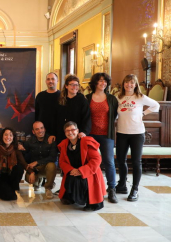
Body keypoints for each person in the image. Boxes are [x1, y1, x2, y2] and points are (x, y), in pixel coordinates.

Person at [116, 74, 159, 201]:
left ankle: (135, 189)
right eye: (127, 82)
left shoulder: (140, 97)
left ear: (135, 85)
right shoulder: (118, 97)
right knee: (120, 160)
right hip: (122, 132)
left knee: (136, 162)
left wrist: (143, 113)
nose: (129, 85)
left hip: (137, 133)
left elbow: (156, 105)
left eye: (132, 83)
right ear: (123, 84)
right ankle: (122, 185)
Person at [86, 73, 118, 203]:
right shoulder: (87, 98)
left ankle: (111, 189)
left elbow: (116, 115)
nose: (103, 83)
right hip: (90, 134)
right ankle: (89, 187)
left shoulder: (111, 99)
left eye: (105, 81)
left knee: (109, 162)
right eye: (100, 81)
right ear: (94, 83)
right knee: (90, 161)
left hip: (106, 134)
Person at [58, 121, 106, 211]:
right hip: (73, 171)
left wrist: (81, 171)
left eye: (73, 129)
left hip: (89, 172)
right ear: (65, 133)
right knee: (70, 178)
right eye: (67, 131)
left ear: (78, 131)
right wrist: (70, 170)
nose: (70, 132)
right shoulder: (64, 144)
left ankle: (91, 203)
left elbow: (96, 159)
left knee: (83, 181)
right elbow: (62, 161)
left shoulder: (86, 141)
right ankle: (71, 198)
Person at [0, 127, 33, 201]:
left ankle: (13, 188)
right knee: (11, 197)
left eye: (10, 135)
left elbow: (23, 164)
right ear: (2, 136)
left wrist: (31, 172)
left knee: (19, 168)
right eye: (6, 135)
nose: (8, 137)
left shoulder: (16, 149)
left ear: (13, 137)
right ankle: (6, 189)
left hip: (10, 176)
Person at [19, 121, 57, 199]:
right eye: (37, 129)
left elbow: (53, 158)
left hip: (47, 168)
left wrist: (37, 162)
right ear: (33, 132)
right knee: (29, 179)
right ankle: (37, 183)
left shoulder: (51, 140)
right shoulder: (29, 142)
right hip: (35, 169)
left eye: (41, 128)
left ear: (44, 129)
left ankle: (48, 188)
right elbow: (23, 154)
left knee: (52, 165)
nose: (40, 131)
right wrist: (19, 145)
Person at [56, 74, 91, 145]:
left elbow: (87, 117)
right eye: (72, 84)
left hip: (77, 135)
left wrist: (84, 132)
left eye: (76, 85)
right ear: (66, 86)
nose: (74, 87)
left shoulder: (82, 100)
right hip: (63, 134)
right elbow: (57, 118)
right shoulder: (61, 100)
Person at [35, 72, 60, 144]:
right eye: (48, 79)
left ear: (57, 81)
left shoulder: (62, 96)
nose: (50, 81)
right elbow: (37, 114)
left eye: (53, 79)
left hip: (58, 132)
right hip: (41, 133)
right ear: (46, 81)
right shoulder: (40, 96)